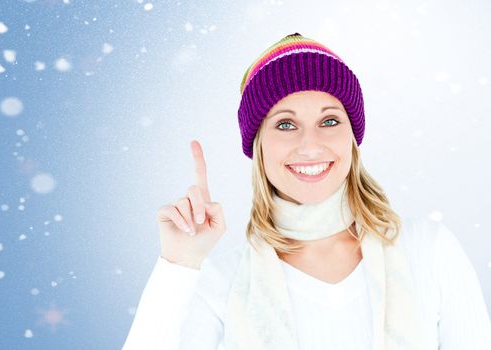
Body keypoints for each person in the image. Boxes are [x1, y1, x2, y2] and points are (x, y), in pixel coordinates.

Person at [122, 33, 491, 349]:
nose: (310, 145)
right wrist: (178, 265)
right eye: (285, 124)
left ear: (352, 136)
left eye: (329, 120)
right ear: (258, 145)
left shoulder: (429, 251)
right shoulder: (222, 280)